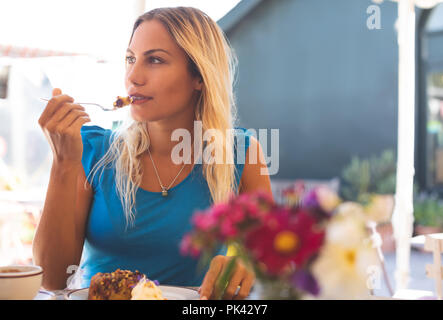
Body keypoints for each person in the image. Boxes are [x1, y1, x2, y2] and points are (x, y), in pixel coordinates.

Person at [32, 7, 271, 300]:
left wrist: (245, 265)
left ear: (199, 76)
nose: (133, 76)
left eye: (155, 60)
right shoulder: (91, 149)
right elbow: (51, 278)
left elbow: (269, 262)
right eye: (130, 59)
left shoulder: (241, 154)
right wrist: (63, 163)